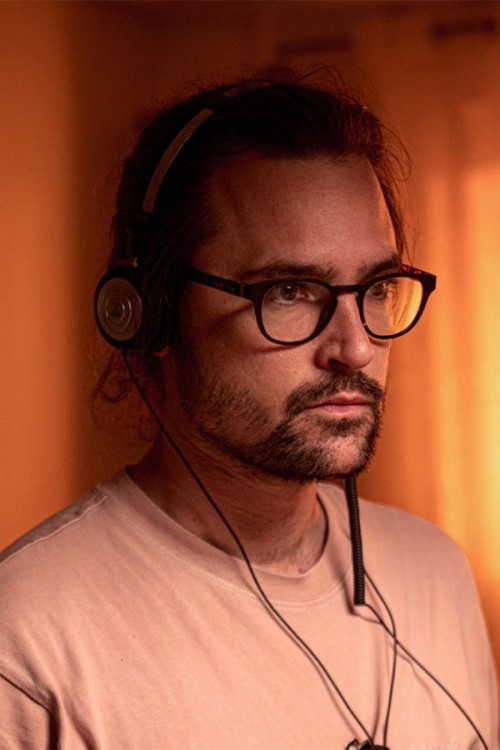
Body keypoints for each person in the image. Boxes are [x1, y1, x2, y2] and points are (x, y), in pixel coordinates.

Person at [0, 72, 498, 750]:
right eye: (289, 290)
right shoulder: (28, 639)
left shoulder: (435, 572)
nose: (355, 347)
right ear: (152, 313)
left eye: (377, 287)